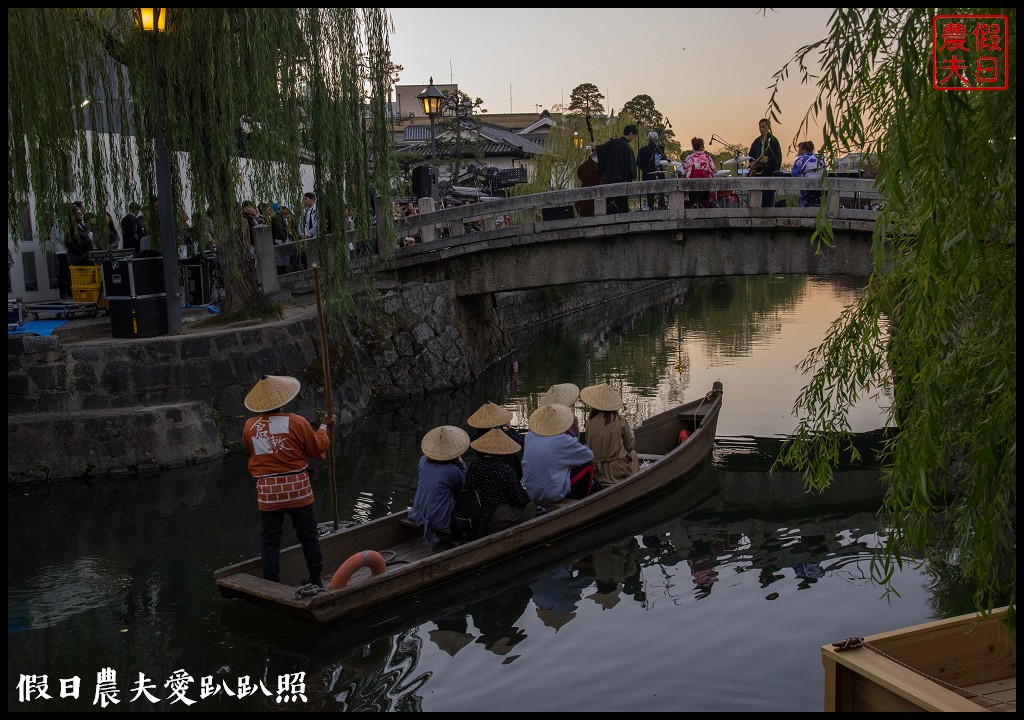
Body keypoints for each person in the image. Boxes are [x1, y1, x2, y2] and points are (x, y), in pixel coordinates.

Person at [241, 374, 334, 588]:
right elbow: (315, 447)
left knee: (270, 541)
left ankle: (271, 584)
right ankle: (316, 579)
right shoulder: (297, 422)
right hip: (298, 490)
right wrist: (324, 426)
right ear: (284, 400)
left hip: (268, 493)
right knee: (308, 535)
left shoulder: (250, 426)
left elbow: (254, 451)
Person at [466, 428, 536, 536]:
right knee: (529, 506)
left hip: (475, 513)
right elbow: (519, 499)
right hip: (493, 517)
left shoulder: (474, 465)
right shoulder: (504, 469)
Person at [521, 403, 594, 506]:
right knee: (588, 466)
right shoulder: (563, 440)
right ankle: (583, 504)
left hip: (528, 491)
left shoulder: (529, 436)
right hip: (550, 494)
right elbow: (589, 456)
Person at [408, 425, 469, 543]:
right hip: (439, 520)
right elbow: (461, 490)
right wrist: (462, 465)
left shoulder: (423, 461)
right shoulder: (452, 471)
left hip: (417, 514)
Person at [579, 383, 639, 486]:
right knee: (633, 453)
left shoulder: (589, 422)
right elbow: (630, 446)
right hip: (617, 470)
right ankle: (634, 481)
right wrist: (632, 435)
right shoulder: (621, 421)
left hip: (596, 470)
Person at [466, 401, 524, 480]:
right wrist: (509, 428)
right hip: (507, 472)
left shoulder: (476, 439)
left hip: (486, 476)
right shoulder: (503, 436)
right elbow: (519, 443)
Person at [596, 123, 638, 214]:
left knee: (610, 206)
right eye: (633, 136)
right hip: (622, 181)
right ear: (630, 134)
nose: (633, 138)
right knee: (622, 207)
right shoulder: (628, 149)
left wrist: (594, 146)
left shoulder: (613, 142)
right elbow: (631, 170)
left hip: (609, 179)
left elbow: (600, 150)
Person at [748, 118, 783, 208]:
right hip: (757, 175)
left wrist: (768, 159)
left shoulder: (774, 141)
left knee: (767, 203)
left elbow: (778, 158)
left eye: (763, 127)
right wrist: (752, 162)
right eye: (760, 127)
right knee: (755, 203)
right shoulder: (756, 141)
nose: (761, 129)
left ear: (768, 127)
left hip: (768, 174)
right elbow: (751, 155)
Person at [636, 130, 667, 210]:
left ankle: (650, 206)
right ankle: (662, 205)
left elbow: (638, 163)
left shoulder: (642, 150)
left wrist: (644, 169)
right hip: (659, 173)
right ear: (656, 139)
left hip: (647, 174)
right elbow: (664, 160)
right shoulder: (660, 148)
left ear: (648, 139)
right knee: (661, 191)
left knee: (650, 193)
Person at [682, 137, 717, 209]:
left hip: (692, 188)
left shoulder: (689, 158)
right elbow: (713, 168)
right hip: (705, 187)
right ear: (701, 147)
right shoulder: (707, 157)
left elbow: (684, 170)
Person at [791, 140, 822, 207]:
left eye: (799, 149)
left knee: (804, 205)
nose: (798, 151)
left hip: (806, 185)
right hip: (819, 186)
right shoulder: (820, 158)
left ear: (804, 150)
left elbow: (794, 174)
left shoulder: (801, 159)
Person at [50, 216, 72, 299]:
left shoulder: (66, 222)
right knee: (64, 271)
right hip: (62, 250)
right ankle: (64, 292)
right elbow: (63, 239)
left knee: (66, 271)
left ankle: (68, 291)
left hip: (65, 250)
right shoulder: (59, 224)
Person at [271, 204, 294, 274]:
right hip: (281, 240)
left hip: (283, 239)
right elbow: (279, 228)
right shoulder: (278, 216)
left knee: (285, 258)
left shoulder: (280, 216)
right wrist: (284, 239)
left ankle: (285, 269)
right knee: (283, 258)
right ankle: (284, 271)